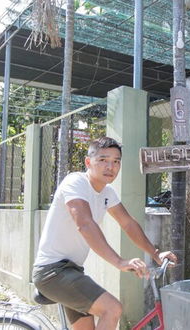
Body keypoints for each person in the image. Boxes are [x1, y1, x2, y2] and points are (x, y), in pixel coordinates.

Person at [32, 137, 177, 330]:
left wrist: (155, 254)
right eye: (103, 160)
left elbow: (128, 224)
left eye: (116, 161)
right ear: (88, 162)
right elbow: (84, 224)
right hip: (53, 273)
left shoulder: (107, 193)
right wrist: (119, 262)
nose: (111, 166)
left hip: (73, 272)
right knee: (112, 309)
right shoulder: (75, 182)